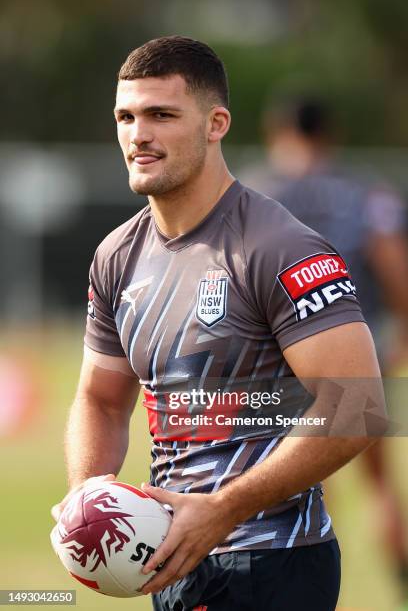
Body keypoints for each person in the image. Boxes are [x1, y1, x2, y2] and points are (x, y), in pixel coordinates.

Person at [51, 37, 385, 611]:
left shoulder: (280, 247)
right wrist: (89, 491)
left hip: (272, 561)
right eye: (126, 117)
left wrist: (224, 508)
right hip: (172, 558)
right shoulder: (116, 256)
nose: (138, 134)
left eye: (161, 115)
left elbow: (357, 407)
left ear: (216, 123)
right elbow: (101, 400)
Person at [243, 96, 408, 600]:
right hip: (359, 351)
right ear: (329, 134)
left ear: (276, 132)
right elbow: (391, 263)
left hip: (279, 362)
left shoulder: (254, 192)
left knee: (296, 482)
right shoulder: (361, 191)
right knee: (379, 482)